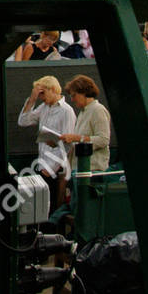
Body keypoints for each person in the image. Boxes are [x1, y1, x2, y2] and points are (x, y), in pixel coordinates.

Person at [18, 75, 76, 211]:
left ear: (53, 89)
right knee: (40, 206)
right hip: (42, 166)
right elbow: (23, 121)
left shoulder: (66, 111)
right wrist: (31, 100)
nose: (40, 97)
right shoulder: (44, 108)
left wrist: (50, 169)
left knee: (52, 206)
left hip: (55, 169)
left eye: (42, 93)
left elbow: (68, 144)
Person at [61, 75, 111, 172]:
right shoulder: (82, 113)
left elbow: (103, 140)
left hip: (93, 171)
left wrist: (77, 138)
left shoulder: (98, 110)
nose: (72, 99)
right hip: (79, 170)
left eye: (74, 95)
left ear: (84, 92)